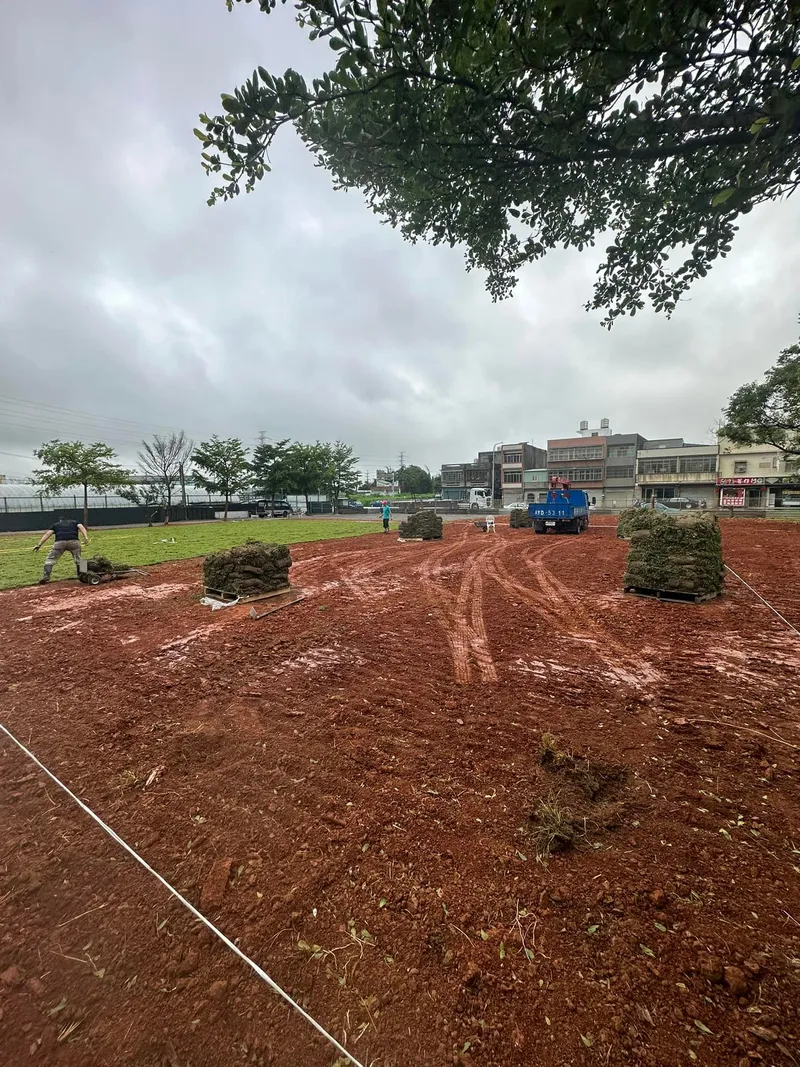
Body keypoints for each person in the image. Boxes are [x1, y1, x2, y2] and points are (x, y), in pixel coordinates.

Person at [33, 517, 90, 584]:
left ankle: (46, 577)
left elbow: (47, 534)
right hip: (74, 542)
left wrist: (39, 545)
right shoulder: (75, 522)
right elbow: (82, 527)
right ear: (69, 519)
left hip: (59, 543)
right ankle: (84, 575)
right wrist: (86, 537)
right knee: (80, 559)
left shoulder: (56, 525)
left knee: (50, 560)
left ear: (60, 520)